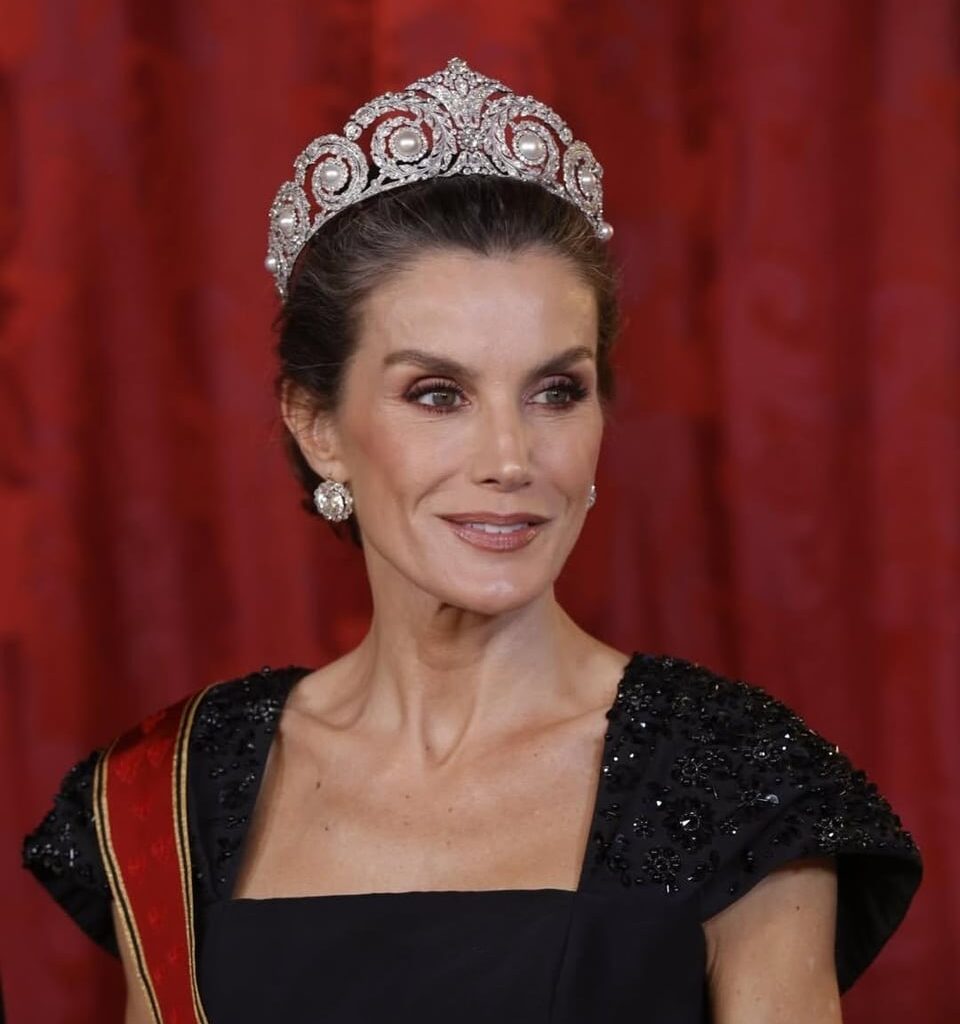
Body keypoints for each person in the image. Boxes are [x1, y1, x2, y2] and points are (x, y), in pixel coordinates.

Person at [22, 57, 921, 1023]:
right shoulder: (177, 788)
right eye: (437, 394)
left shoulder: (743, 779)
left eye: (556, 392)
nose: (510, 457)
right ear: (317, 426)